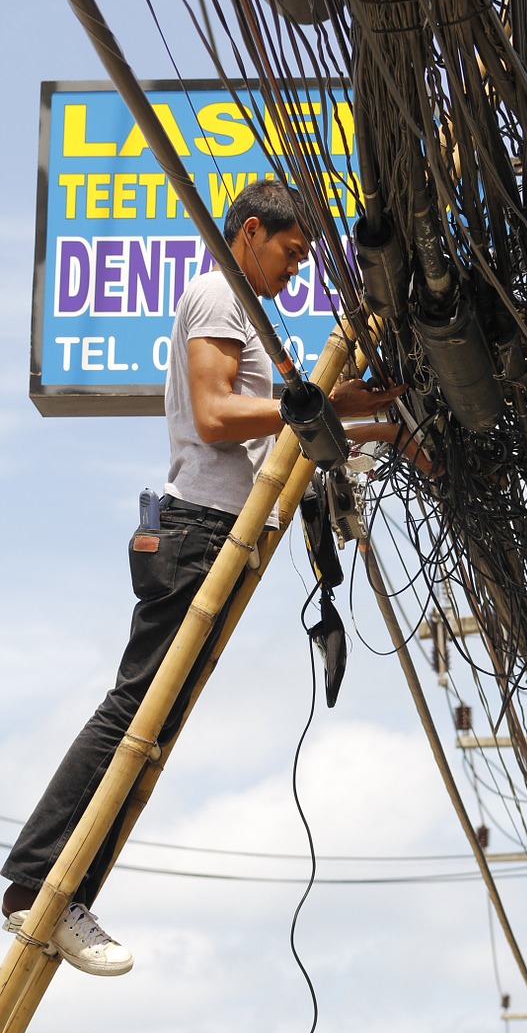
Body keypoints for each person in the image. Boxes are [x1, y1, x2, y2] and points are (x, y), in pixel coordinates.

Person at [1, 180, 404, 976]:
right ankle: (34, 885)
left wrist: (358, 416)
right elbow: (218, 417)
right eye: (290, 254)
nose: (295, 273)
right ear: (250, 231)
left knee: (148, 731)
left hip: (206, 536)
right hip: (194, 535)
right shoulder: (218, 293)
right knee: (132, 717)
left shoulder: (244, 310)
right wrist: (319, 403)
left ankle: (61, 889)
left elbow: (274, 427)